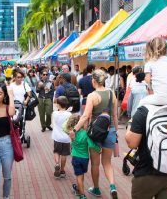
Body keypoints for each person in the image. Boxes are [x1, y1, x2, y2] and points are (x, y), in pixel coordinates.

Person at [72, 69, 119, 198]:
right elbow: (115, 114)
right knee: (107, 163)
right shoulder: (111, 93)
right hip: (110, 130)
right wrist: (115, 130)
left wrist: (75, 129)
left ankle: (96, 188)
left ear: (94, 80)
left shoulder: (92, 96)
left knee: (95, 164)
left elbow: (86, 116)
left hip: (95, 133)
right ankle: (112, 186)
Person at [67, 113, 101, 199]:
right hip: (85, 158)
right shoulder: (85, 134)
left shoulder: (72, 133)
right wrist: (99, 149)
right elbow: (91, 145)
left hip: (76, 157)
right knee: (82, 175)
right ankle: (79, 188)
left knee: (79, 176)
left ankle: (82, 195)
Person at [51, 96, 72, 179]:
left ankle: (57, 163)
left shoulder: (55, 113)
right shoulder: (69, 114)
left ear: (58, 105)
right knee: (64, 154)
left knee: (56, 152)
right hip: (66, 138)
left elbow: (53, 124)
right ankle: (62, 170)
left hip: (57, 137)